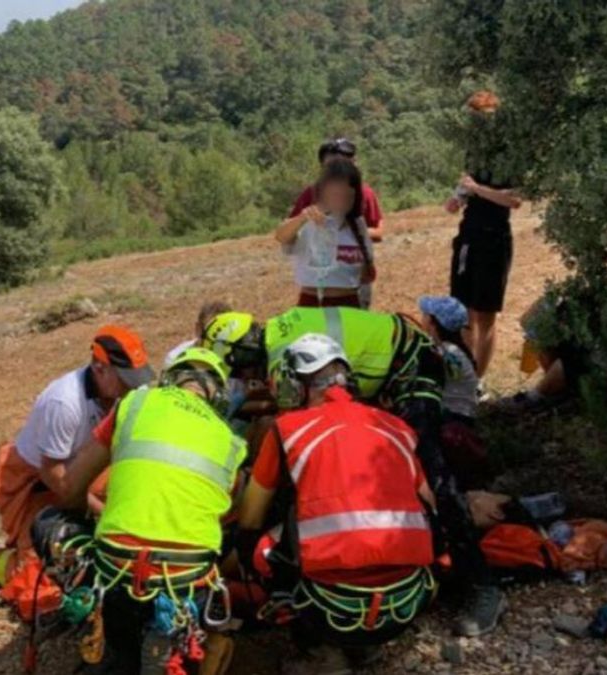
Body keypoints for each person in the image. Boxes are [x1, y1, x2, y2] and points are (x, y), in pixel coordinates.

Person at [203, 308, 507, 636]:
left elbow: (288, 420)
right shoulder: (281, 331)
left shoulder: (283, 356)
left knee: (434, 474)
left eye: (240, 367)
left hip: (412, 365)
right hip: (398, 364)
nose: (244, 375)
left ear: (243, 351)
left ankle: (481, 584)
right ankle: (420, 561)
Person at [34, 347, 245, 675]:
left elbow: (71, 488)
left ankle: (110, 641)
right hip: (185, 585)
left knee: (48, 522)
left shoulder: (132, 405)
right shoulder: (232, 443)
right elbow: (221, 518)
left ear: (169, 379)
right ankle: (178, 641)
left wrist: (102, 516)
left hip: (118, 577)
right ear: (219, 395)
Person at [236, 334, 435, 674]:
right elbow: (430, 506)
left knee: (260, 547)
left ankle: (318, 652)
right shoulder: (395, 426)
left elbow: (250, 518)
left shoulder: (288, 430)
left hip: (329, 609)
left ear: (298, 385)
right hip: (406, 600)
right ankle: (368, 648)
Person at [0, 326, 154, 589]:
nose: (133, 386)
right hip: (35, 485)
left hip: (81, 478)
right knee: (41, 579)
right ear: (100, 369)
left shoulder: (126, 395)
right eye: (125, 379)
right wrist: (101, 513)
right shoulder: (65, 403)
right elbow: (58, 481)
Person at [444, 90, 523, 380]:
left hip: (495, 237)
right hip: (468, 236)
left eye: (482, 121)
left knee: (485, 314)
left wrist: (476, 189)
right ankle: (461, 378)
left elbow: (513, 200)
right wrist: (458, 197)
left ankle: (477, 380)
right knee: (461, 312)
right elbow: (467, 185)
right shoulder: (474, 154)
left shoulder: (508, 155)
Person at [275, 160, 375, 309]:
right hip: (313, 304)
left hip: (350, 304)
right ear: (323, 193)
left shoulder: (358, 225)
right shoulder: (309, 221)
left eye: (348, 195)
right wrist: (302, 218)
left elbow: (367, 271)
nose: (341, 201)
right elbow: (281, 236)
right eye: (335, 194)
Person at [418, 296, 481, 419]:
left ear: (432, 322)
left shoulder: (439, 353)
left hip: (448, 416)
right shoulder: (458, 350)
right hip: (466, 415)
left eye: (424, 314)